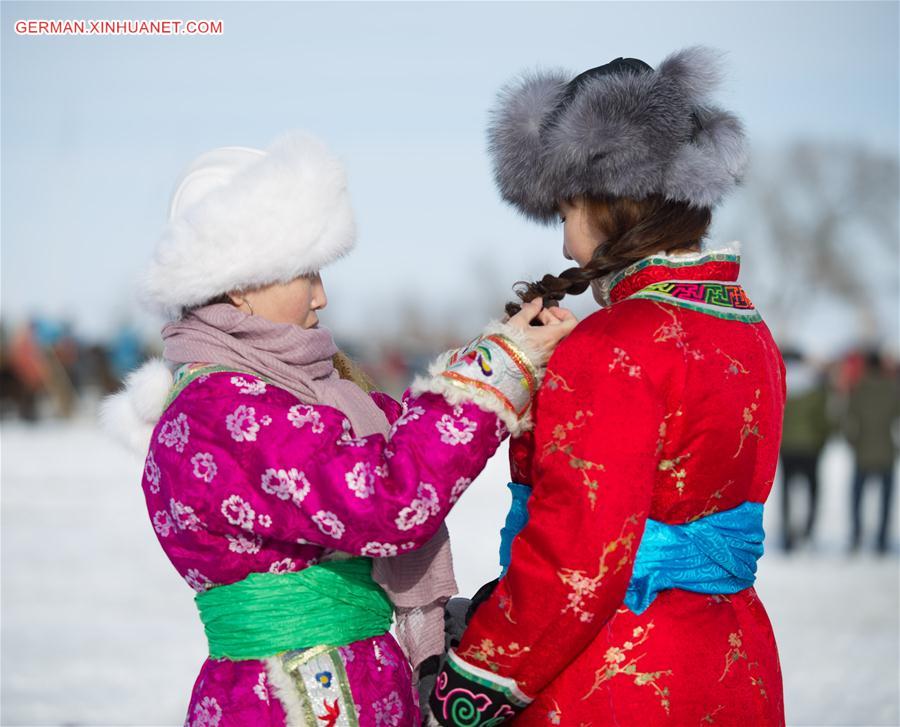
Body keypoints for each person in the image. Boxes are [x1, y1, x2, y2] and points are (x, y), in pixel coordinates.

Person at [101, 131, 576, 726]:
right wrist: (495, 375)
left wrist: (494, 356)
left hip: (354, 681)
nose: (322, 296)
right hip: (288, 700)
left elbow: (390, 441)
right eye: (307, 273)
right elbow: (384, 496)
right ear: (244, 283)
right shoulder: (223, 411)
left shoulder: (274, 394)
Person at [428, 47, 786, 726]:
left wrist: (475, 681)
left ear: (610, 200)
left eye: (566, 212)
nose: (565, 246)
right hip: (731, 666)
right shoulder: (749, 330)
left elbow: (577, 559)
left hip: (619, 676)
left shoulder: (613, 344)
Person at [843, 350, 899, 554]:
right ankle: (882, 540)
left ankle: (857, 535)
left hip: (863, 452)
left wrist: (853, 442)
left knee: (857, 498)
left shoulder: (859, 389)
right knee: (885, 500)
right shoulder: (892, 389)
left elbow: (849, 418)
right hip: (886, 451)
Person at [779, 348, 833, 551]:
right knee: (813, 491)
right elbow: (823, 420)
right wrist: (821, 441)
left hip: (788, 447)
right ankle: (808, 531)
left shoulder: (782, 385)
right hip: (811, 448)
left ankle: (787, 535)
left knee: (787, 492)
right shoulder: (815, 389)